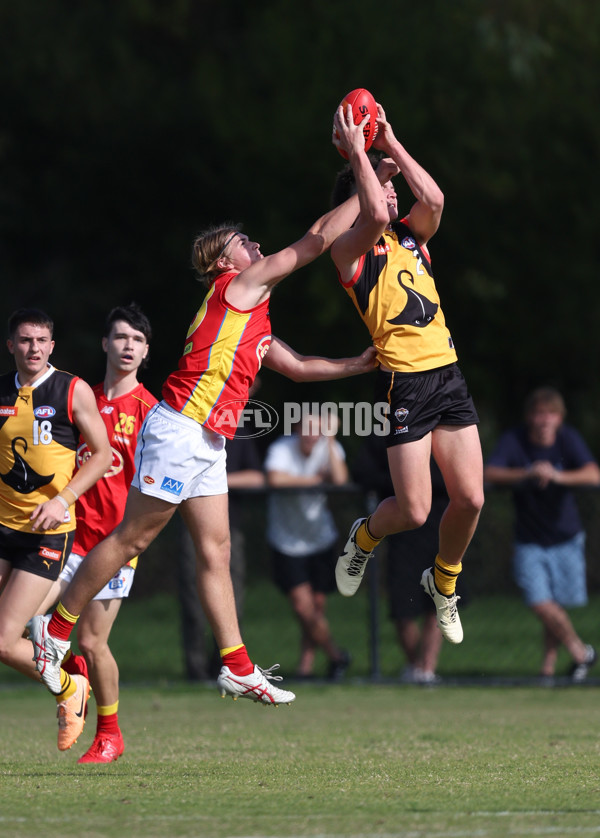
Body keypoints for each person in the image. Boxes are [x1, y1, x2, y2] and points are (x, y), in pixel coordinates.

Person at [30, 117, 388, 707]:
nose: (252, 246)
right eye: (239, 244)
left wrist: (357, 364)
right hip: (179, 428)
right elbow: (318, 239)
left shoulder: (251, 319)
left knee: (216, 550)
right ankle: (57, 626)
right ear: (224, 265)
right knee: (135, 535)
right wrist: (361, 174)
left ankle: (236, 665)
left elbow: (296, 367)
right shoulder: (235, 289)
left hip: (209, 441)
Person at [330, 101, 484, 645]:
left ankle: (443, 582)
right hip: (405, 384)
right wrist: (357, 156)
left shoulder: (412, 240)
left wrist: (388, 141)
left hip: (448, 374)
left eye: (391, 191)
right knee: (415, 510)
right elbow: (370, 212)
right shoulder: (351, 254)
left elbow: (435, 199)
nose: (392, 197)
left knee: (470, 499)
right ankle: (365, 536)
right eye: (381, 189)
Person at [34, 303, 157, 762]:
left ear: (145, 353)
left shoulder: (151, 412)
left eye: (137, 340)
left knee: (90, 640)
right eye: (121, 337)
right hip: (64, 536)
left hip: (113, 545)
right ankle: (73, 681)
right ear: (105, 343)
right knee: (29, 625)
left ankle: (110, 735)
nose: (128, 346)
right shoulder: (77, 396)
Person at [0, 308, 111, 751]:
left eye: (41, 340)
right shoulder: (2, 390)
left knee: (5, 643)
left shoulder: (71, 389)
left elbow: (101, 455)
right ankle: (66, 682)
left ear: (52, 346)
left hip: (48, 533)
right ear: (11, 345)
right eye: (25, 340)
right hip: (3, 527)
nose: (33, 348)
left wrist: (62, 500)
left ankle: (69, 687)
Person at [484, 387, 600, 682]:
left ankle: (548, 668)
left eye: (550, 414)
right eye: (539, 413)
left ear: (559, 418)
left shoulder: (568, 439)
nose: (544, 420)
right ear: (530, 417)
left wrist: (557, 476)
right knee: (539, 601)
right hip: (529, 537)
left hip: (565, 536)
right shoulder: (515, 440)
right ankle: (580, 651)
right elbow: (489, 473)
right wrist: (528, 473)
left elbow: (592, 473)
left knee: (555, 605)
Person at [352, 432, 446, 684]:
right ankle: (415, 666)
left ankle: (427, 669)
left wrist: (413, 482)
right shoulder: (390, 432)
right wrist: (404, 482)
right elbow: (363, 473)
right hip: (401, 537)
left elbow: (451, 478)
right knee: (402, 606)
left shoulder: (443, 431)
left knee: (438, 603)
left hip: (440, 531)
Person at [265, 412, 351, 680]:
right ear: (297, 429)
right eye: (307, 428)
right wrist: (314, 481)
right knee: (303, 607)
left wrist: (331, 439)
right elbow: (276, 479)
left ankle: (306, 667)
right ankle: (337, 655)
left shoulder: (329, 448)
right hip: (287, 541)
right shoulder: (281, 448)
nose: (312, 434)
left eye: (318, 429)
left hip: (320, 539)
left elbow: (340, 480)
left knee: (316, 608)